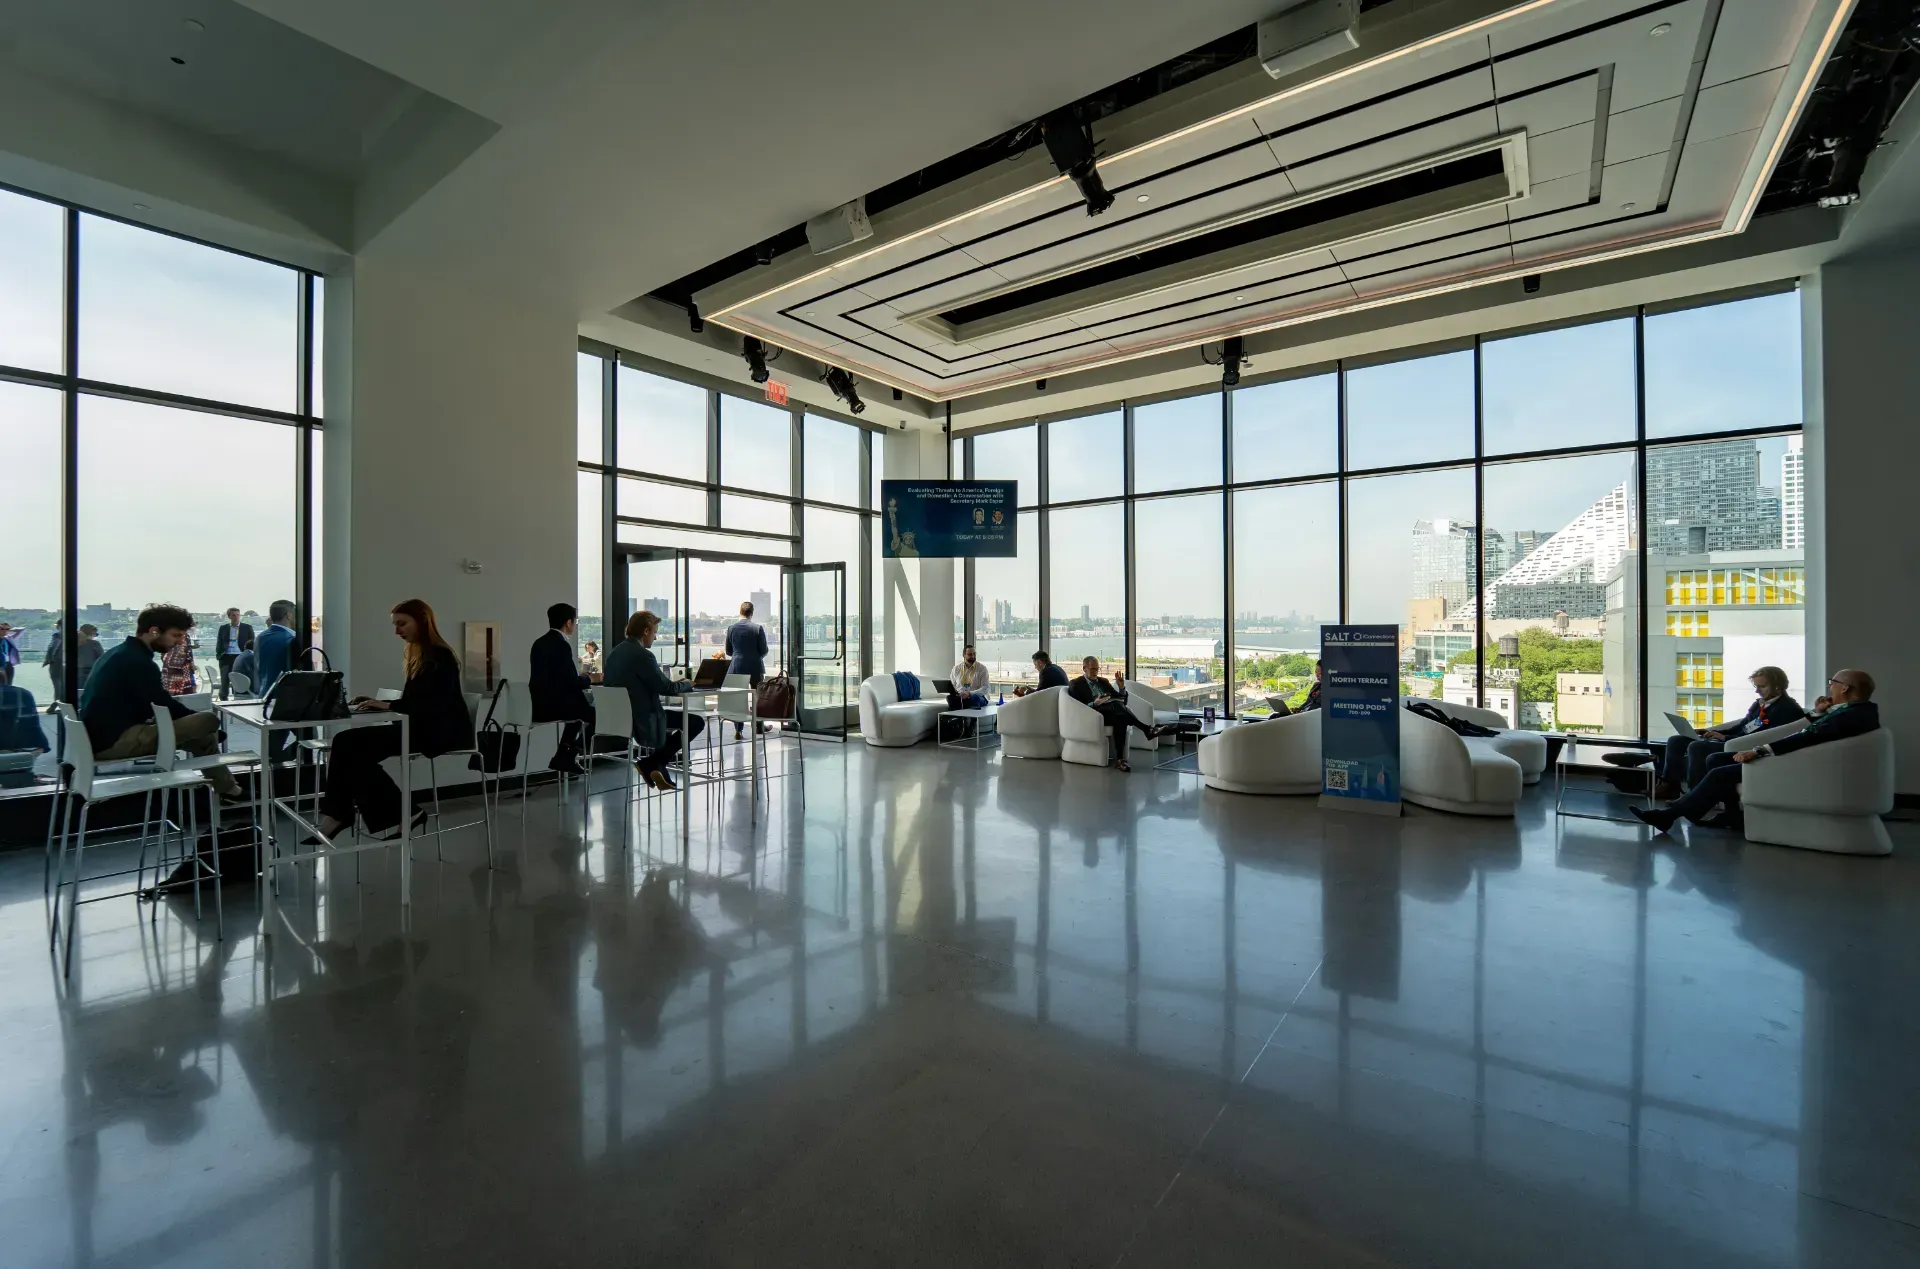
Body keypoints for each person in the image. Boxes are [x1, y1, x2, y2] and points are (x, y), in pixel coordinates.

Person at [1632, 668, 1882, 833]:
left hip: (1795, 762)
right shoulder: (1853, 712)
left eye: (1833, 683)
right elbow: (1809, 732)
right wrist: (1817, 712)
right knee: (1717, 758)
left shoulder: (1849, 716)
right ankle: (1725, 814)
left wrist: (1760, 751)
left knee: (1720, 770)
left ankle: (1673, 814)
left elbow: (1802, 739)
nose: (1830, 687)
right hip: (1798, 759)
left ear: (1846, 689)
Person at [310, 599, 473, 841]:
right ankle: (379, 814)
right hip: (419, 727)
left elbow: (432, 704)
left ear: (422, 621)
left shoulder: (440, 656)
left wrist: (388, 705)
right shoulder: (422, 654)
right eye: (396, 625)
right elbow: (417, 699)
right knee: (349, 748)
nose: (397, 631)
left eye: (402, 624)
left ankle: (343, 816)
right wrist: (382, 702)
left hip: (436, 733)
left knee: (348, 746)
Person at [78, 604, 241, 800]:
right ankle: (227, 791)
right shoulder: (138, 662)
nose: (180, 641)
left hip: (98, 738)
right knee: (208, 720)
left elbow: (149, 704)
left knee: (204, 738)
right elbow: (164, 705)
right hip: (114, 742)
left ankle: (230, 791)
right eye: (176, 635)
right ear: (154, 631)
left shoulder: (117, 653)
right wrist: (201, 723)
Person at [1605, 666, 1802, 799]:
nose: (1757, 691)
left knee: (1697, 747)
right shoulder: (1760, 704)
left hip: (1744, 747)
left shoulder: (1787, 709)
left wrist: (1725, 738)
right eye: (1756, 686)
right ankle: (1669, 785)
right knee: (1677, 740)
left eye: (1762, 686)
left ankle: (1694, 793)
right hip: (1735, 739)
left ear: (1777, 685)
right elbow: (1743, 725)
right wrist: (1713, 731)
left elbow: (1766, 735)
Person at [604, 609, 703, 791]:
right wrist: (688, 683)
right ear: (646, 631)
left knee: (674, 724)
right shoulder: (643, 656)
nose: (656, 638)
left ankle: (656, 764)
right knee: (695, 722)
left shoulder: (615, 653)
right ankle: (654, 762)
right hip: (640, 717)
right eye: (655, 632)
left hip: (616, 718)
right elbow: (667, 688)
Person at [1068, 655, 1171, 773]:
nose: (1095, 672)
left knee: (1120, 716)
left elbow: (1122, 701)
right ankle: (1147, 729)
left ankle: (1120, 760)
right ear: (1084, 668)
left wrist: (1121, 688)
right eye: (1092, 669)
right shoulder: (1076, 684)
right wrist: (1094, 703)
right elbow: (1076, 706)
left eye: (1097, 669)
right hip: (1093, 714)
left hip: (1111, 712)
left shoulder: (1103, 681)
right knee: (1118, 709)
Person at [530, 602, 597, 775]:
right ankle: (570, 753)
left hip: (538, 705)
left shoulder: (539, 642)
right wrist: (590, 678)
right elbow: (569, 681)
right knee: (597, 716)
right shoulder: (561, 644)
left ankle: (562, 756)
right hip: (555, 707)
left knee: (578, 715)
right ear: (568, 622)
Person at [723, 600, 769, 739]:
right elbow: (764, 650)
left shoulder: (731, 628)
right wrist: (756, 657)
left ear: (740, 611)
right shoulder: (757, 628)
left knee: (739, 698)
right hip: (755, 666)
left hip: (737, 666)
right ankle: (759, 726)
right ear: (752, 613)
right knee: (758, 697)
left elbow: (728, 651)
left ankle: (739, 730)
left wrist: (739, 656)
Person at [253, 600, 298, 698]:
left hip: (263, 695)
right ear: (289, 615)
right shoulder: (292, 639)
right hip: (285, 698)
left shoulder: (260, 638)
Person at [214, 608, 254, 701]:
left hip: (240, 656)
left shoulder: (247, 627)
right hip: (226, 656)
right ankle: (223, 701)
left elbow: (252, 642)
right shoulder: (223, 628)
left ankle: (237, 699)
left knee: (238, 680)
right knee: (224, 681)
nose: (236, 617)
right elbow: (219, 642)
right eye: (233, 615)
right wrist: (218, 654)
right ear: (229, 617)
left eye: (238, 615)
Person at [947, 645, 990, 710]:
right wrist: (958, 694)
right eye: (970, 655)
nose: (973, 656)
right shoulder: (956, 669)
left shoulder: (982, 669)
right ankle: (956, 718)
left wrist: (969, 694)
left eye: (974, 654)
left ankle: (972, 719)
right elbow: (952, 685)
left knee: (974, 698)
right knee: (950, 698)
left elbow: (986, 688)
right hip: (961, 696)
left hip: (978, 697)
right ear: (964, 655)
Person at [160, 628, 197, 695]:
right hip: (178, 670)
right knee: (183, 695)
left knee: (175, 694)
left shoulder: (166, 635)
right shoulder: (183, 636)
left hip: (175, 669)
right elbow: (186, 652)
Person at [0, 622, 20, 686]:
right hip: (1, 664)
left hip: (8, 663)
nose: (4, 630)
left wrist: (10, 630)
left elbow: (22, 630)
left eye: (6, 629)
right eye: (2, 629)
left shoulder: (8, 638)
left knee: (9, 683)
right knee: (2, 684)